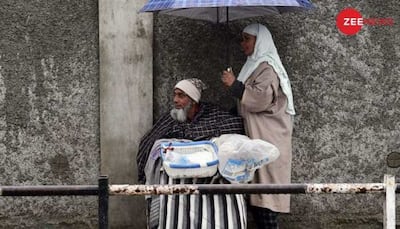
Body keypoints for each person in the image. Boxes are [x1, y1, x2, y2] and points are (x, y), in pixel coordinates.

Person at [137, 78, 247, 229]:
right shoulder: (170, 119)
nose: (175, 100)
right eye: (174, 95)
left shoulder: (212, 114)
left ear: (193, 101)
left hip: (207, 176)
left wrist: (200, 138)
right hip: (176, 177)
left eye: (181, 96)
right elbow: (148, 142)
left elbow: (237, 125)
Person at [221, 23, 295, 229]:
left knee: (267, 195)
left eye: (247, 38)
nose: (242, 43)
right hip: (258, 135)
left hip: (270, 136)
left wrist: (235, 84)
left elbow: (260, 99)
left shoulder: (267, 68)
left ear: (259, 41)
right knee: (258, 195)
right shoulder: (253, 65)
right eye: (242, 38)